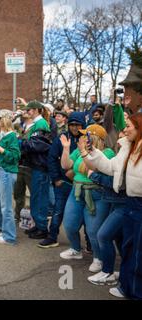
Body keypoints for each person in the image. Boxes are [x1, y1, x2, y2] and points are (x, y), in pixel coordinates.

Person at [84, 113, 142, 299]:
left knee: (136, 251)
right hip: (131, 203)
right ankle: (126, 285)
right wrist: (92, 152)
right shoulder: (127, 147)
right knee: (129, 247)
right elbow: (110, 167)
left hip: (136, 203)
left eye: (128, 125)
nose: (124, 129)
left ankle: (133, 290)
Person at [59, 124, 114, 274]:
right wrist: (65, 148)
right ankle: (76, 249)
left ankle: (99, 258)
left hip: (96, 195)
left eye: (85, 135)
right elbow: (66, 165)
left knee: (93, 230)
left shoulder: (107, 152)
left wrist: (84, 151)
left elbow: (93, 169)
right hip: (76, 191)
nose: (82, 137)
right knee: (69, 225)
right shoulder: (78, 150)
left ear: (94, 138)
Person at [38, 112, 85, 248]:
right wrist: (56, 178)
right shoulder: (62, 138)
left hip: (81, 183)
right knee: (58, 211)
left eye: (78, 125)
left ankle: (89, 243)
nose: (75, 128)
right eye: (72, 125)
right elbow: (52, 158)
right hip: (63, 182)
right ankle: (52, 237)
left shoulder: (87, 138)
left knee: (85, 215)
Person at [20, 101, 52, 239]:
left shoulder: (41, 124)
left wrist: (20, 142)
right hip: (36, 165)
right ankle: (38, 225)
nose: (28, 112)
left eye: (31, 110)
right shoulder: (38, 124)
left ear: (37, 110)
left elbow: (37, 145)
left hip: (41, 166)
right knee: (35, 197)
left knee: (40, 198)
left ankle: (42, 227)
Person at [0, 110, 21, 245]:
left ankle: (10, 237)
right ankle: (5, 229)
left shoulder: (12, 136)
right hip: (1, 171)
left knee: (5, 206)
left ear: (5, 120)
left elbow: (15, 157)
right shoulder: (1, 135)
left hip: (8, 173)